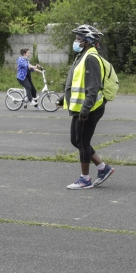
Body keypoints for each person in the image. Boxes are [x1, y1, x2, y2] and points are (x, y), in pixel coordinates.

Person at [57, 25, 114, 190]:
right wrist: (62, 99)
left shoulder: (91, 58)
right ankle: (103, 168)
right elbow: (76, 83)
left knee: (82, 141)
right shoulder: (82, 56)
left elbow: (93, 87)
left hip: (90, 108)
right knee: (76, 140)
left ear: (87, 41)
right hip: (81, 106)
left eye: (78, 39)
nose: (76, 41)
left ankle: (85, 179)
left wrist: (85, 109)